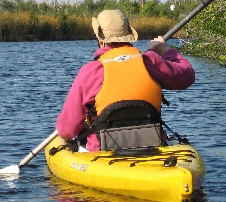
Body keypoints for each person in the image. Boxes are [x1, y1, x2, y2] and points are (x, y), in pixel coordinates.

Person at [56, 9, 195, 151]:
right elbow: (187, 75)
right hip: (153, 145)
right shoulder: (151, 61)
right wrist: (165, 50)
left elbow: (67, 130)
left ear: (100, 39)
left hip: (103, 152)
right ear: (129, 34)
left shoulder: (90, 71)